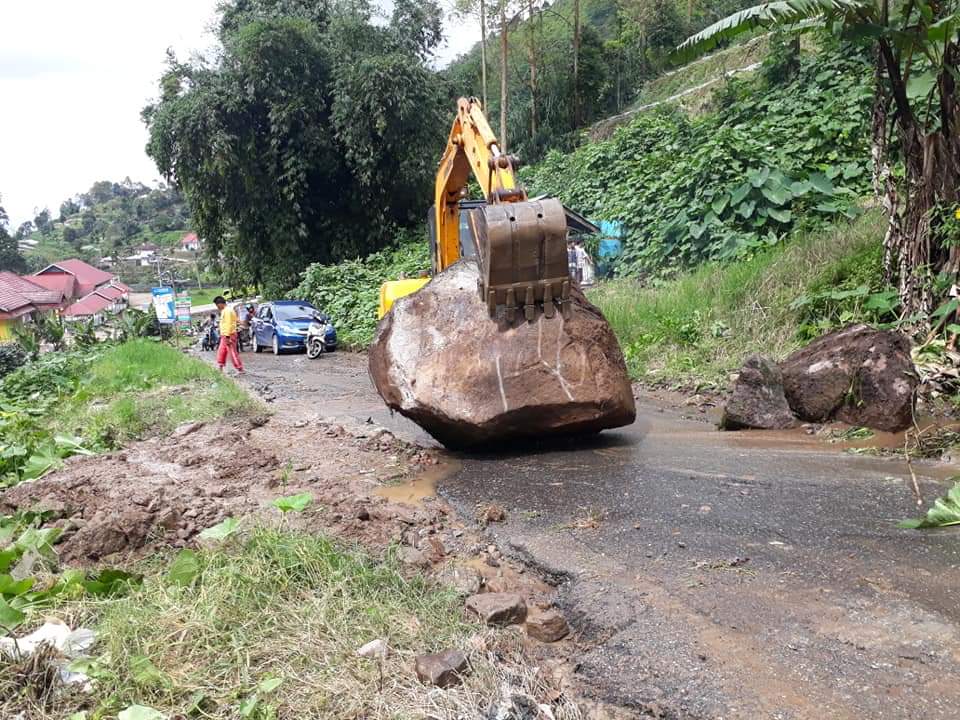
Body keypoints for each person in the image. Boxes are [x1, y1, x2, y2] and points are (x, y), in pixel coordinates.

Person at [214, 296, 244, 374]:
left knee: (232, 352)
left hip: (229, 335)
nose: (217, 307)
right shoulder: (226, 310)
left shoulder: (227, 311)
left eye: (217, 305)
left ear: (220, 304)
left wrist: (227, 336)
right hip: (224, 335)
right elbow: (236, 320)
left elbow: (228, 324)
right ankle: (220, 366)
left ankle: (240, 368)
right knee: (222, 350)